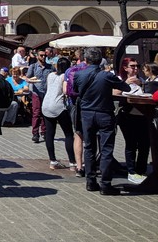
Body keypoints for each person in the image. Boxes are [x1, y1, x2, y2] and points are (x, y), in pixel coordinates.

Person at [73, 47, 130, 195]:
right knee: (106, 149)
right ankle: (105, 184)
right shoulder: (106, 75)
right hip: (104, 114)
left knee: (89, 148)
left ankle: (90, 181)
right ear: (100, 61)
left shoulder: (79, 74)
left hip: (87, 114)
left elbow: (76, 90)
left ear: (86, 60)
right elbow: (126, 87)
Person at [117, 58, 150, 184]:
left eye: (137, 66)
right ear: (125, 68)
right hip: (127, 115)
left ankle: (141, 170)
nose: (136, 69)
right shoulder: (120, 79)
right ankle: (131, 171)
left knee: (144, 144)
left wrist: (142, 85)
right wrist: (125, 83)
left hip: (142, 115)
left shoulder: (141, 80)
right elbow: (114, 93)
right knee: (131, 143)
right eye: (132, 66)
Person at [41, 57, 75, 170]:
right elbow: (66, 91)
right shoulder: (65, 76)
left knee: (49, 133)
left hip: (46, 104)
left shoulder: (50, 75)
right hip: (58, 105)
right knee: (68, 134)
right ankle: (72, 162)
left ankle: (53, 161)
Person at [25, 48, 53, 143]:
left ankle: (44, 132)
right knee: (36, 113)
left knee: (45, 112)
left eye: (45, 55)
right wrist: (30, 80)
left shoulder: (50, 67)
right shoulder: (33, 66)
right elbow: (27, 77)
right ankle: (35, 133)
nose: (43, 57)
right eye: (41, 55)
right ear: (37, 56)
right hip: (36, 92)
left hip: (47, 93)